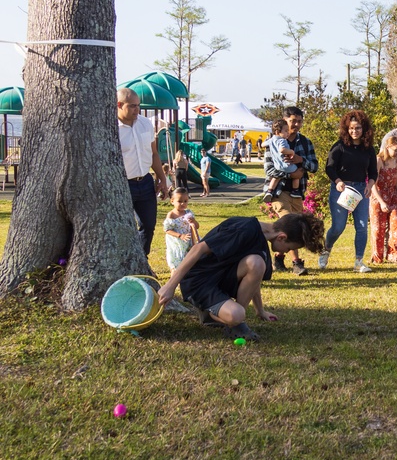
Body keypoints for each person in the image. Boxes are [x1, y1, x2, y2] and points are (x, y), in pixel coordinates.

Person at [158, 213, 324, 341]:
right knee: (236, 315)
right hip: (200, 281)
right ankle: (219, 316)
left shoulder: (261, 242)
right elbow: (198, 249)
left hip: (221, 278)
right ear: (282, 237)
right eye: (289, 248)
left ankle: (233, 320)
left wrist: (261, 310)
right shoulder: (244, 229)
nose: (286, 252)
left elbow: (254, 278)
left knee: (257, 263)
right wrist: (171, 285)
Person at [320, 110, 378, 273]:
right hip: (342, 189)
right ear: (347, 128)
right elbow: (329, 167)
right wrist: (338, 182)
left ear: (364, 129)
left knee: (361, 227)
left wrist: (370, 185)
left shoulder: (368, 149)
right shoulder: (339, 146)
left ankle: (359, 261)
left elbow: (373, 172)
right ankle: (326, 249)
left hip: (361, 190)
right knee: (339, 226)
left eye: (358, 128)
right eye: (352, 128)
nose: (355, 131)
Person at [264, 106, 319, 276]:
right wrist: (292, 173)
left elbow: (315, 166)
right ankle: (297, 263)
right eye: (292, 121)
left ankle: (278, 259)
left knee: (291, 227)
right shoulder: (273, 142)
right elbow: (269, 169)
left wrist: (300, 160)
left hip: (297, 191)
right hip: (278, 191)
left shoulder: (305, 142)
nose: (295, 124)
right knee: (288, 222)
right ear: (284, 121)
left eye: (299, 121)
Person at [117, 88, 169, 256]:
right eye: (132, 106)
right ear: (119, 105)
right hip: (123, 185)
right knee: (124, 227)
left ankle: (141, 260)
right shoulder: (111, 128)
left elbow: (154, 153)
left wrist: (162, 179)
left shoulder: (145, 123)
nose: (137, 110)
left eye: (138, 106)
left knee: (148, 225)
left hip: (146, 183)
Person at [369, 135, 397, 264]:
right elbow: (373, 184)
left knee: (396, 227)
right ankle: (377, 258)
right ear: (388, 147)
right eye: (395, 150)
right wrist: (381, 202)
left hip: (392, 197)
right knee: (378, 230)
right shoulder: (379, 160)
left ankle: (393, 256)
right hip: (378, 197)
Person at [262, 119, 304, 203]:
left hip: (277, 166)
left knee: (276, 177)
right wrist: (291, 152)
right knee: (297, 174)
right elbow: (282, 150)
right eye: (285, 131)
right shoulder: (282, 140)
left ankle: (270, 191)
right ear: (278, 131)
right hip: (286, 164)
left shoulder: (272, 140)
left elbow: (263, 144)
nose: (288, 133)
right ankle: (295, 190)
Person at [163, 187, 200, 274]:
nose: (183, 203)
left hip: (188, 240)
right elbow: (167, 230)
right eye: (179, 201)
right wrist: (180, 236)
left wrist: (193, 221)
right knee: (176, 261)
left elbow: (197, 226)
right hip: (177, 243)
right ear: (172, 201)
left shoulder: (188, 213)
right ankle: (174, 277)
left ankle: (188, 274)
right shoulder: (171, 215)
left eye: (185, 201)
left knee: (190, 259)